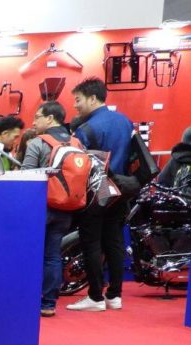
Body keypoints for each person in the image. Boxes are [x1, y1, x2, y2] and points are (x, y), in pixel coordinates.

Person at [68, 77, 136, 312]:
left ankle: (95, 296)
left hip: (97, 191)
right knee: (114, 241)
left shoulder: (85, 129)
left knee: (91, 242)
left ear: (92, 98)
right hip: (122, 188)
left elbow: (78, 166)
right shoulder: (125, 121)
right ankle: (115, 295)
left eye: (78, 100)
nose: (75, 105)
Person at [21, 102, 78, 317]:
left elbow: (26, 175)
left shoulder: (38, 142)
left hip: (40, 207)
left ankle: (26, 298)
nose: (34, 122)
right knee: (53, 256)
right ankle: (48, 303)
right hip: (66, 207)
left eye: (38, 117)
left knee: (30, 253)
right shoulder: (77, 143)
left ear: (51, 118)